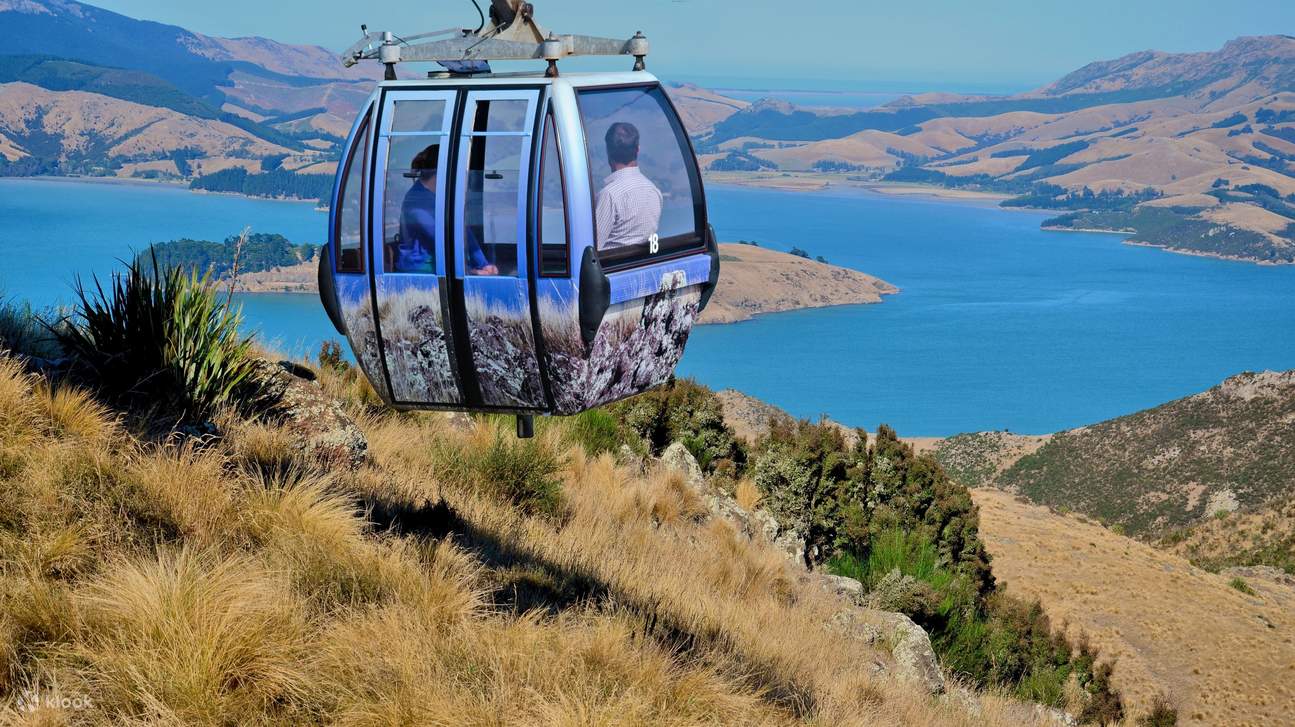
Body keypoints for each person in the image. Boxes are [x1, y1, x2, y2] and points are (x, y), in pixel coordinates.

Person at [400, 144, 497, 275]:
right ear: (441, 171)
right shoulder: (417, 200)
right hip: (420, 268)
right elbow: (444, 237)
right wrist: (471, 270)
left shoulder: (436, 196)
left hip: (439, 262)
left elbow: (461, 230)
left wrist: (483, 264)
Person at [594, 122, 663, 251]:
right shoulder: (653, 191)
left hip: (612, 263)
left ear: (608, 152)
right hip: (642, 262)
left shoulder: (609, 195)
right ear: (638, 150)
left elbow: (591, 248)